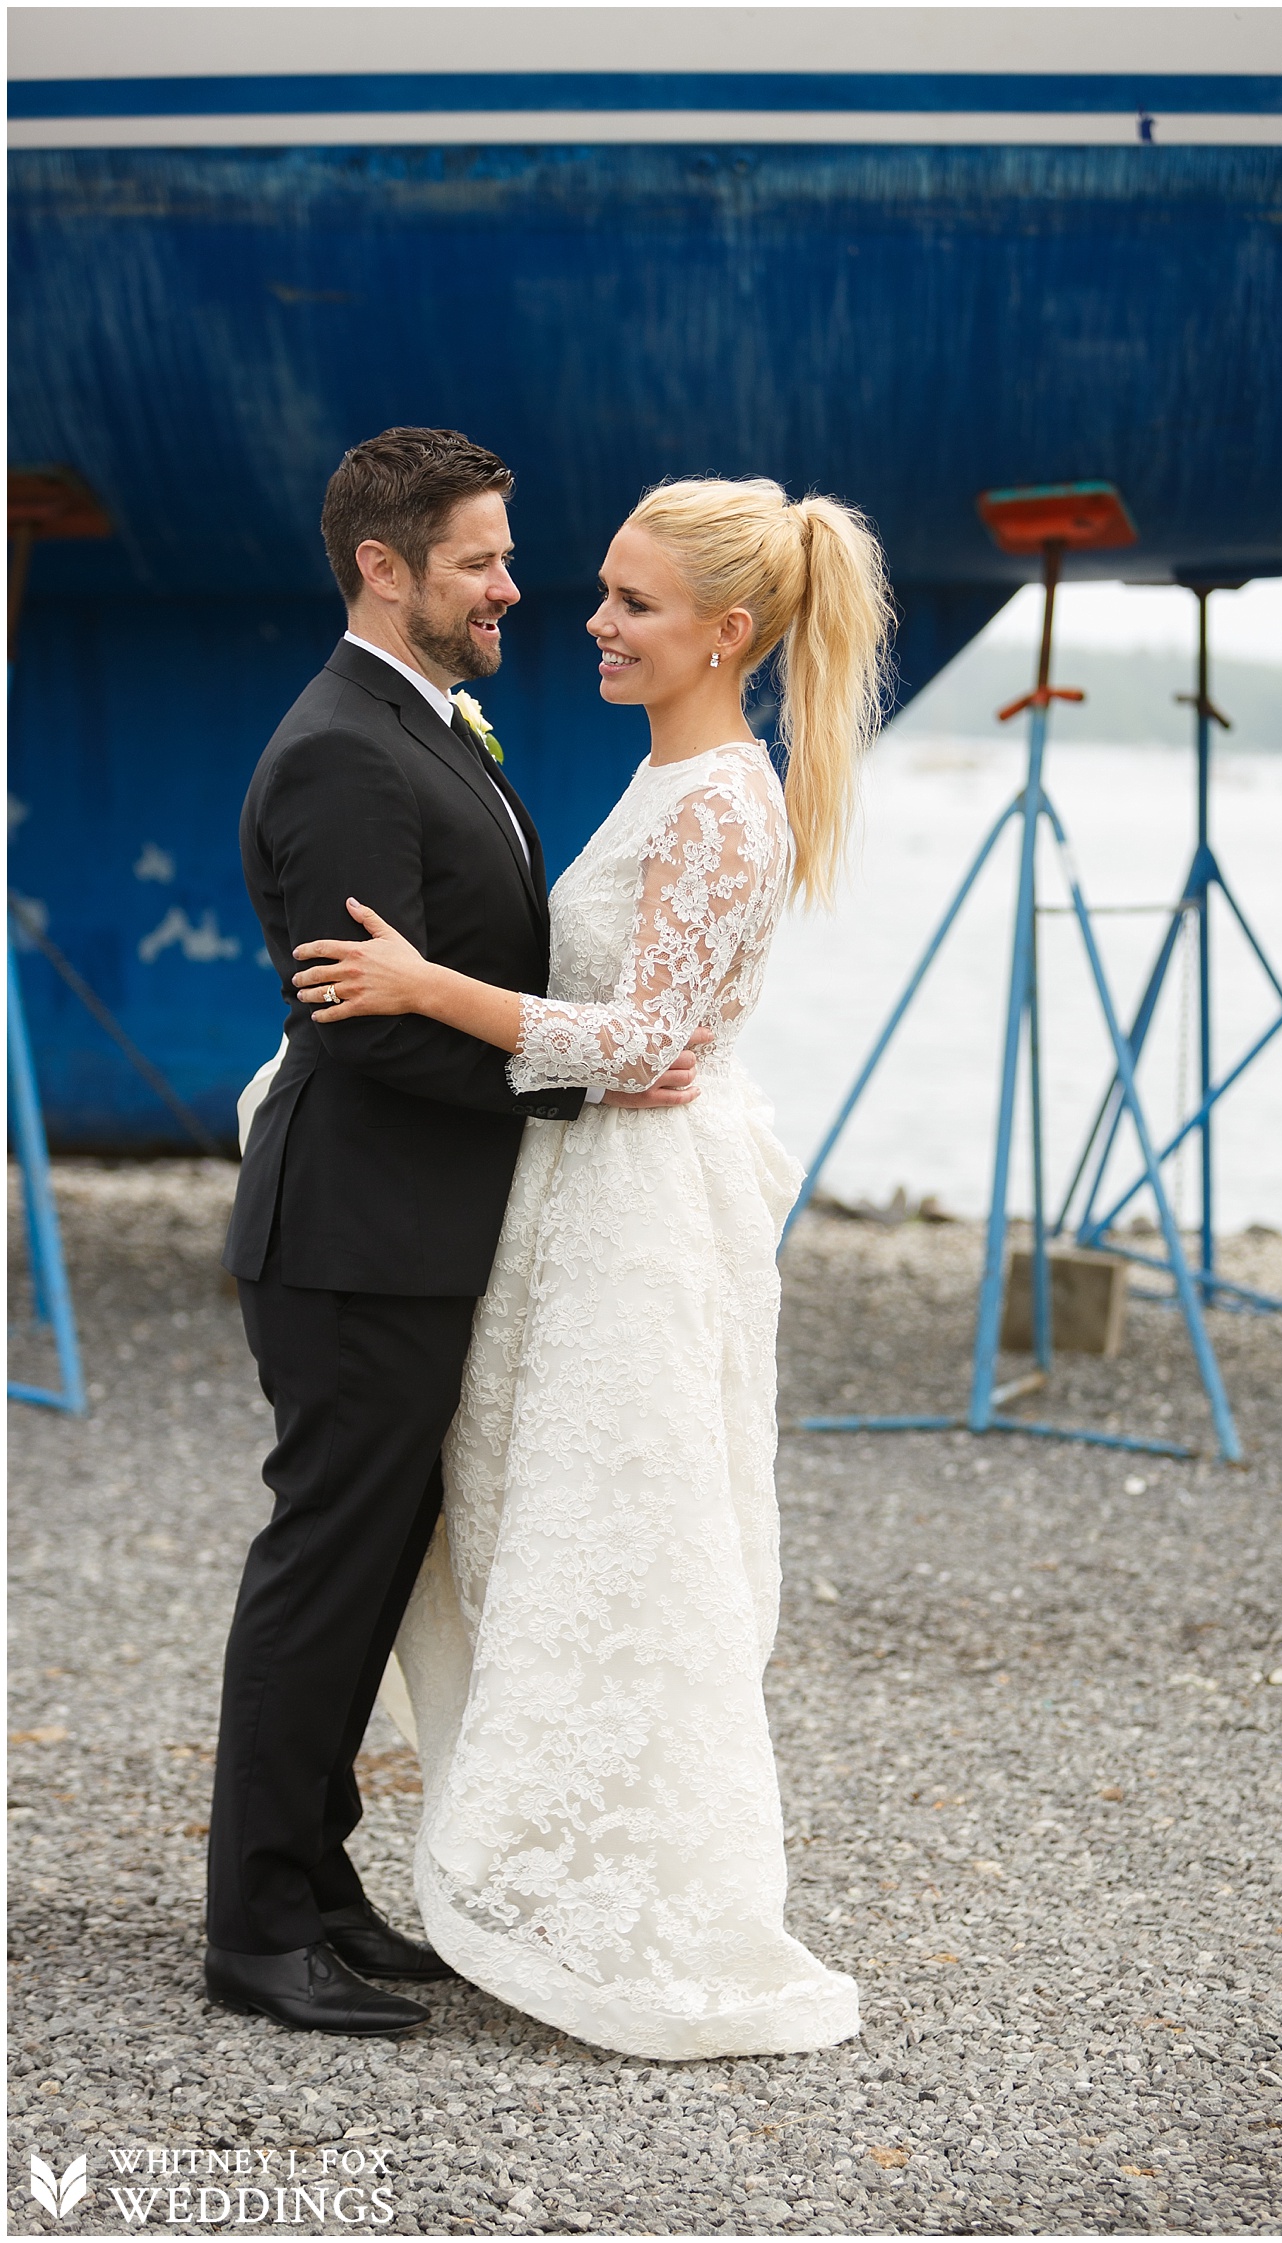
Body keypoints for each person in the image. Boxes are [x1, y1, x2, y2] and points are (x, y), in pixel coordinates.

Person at [289, 474, 894, 2059]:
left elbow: (652, 1044)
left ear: (728, 634)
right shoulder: (671, 776)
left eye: (631, 602)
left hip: (634, 1221)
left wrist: (427, 988)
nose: (592, 620)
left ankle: (629, 1901)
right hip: (577, 1200)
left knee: (624, 1544)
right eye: (602, 591)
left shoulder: (720, 803)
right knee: (537, 1533)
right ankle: (525, 1866)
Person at [208, 428, 701, 2038]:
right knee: (322, 1570)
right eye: (481, 560)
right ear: (384, 567)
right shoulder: (343, 753)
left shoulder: (421, 725)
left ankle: (316, 1878)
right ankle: (255, 1926)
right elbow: (364, 1028)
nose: (512, 585)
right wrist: (574, 1091)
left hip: (408, 1235)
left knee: (363, 1580)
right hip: (353, 1241)